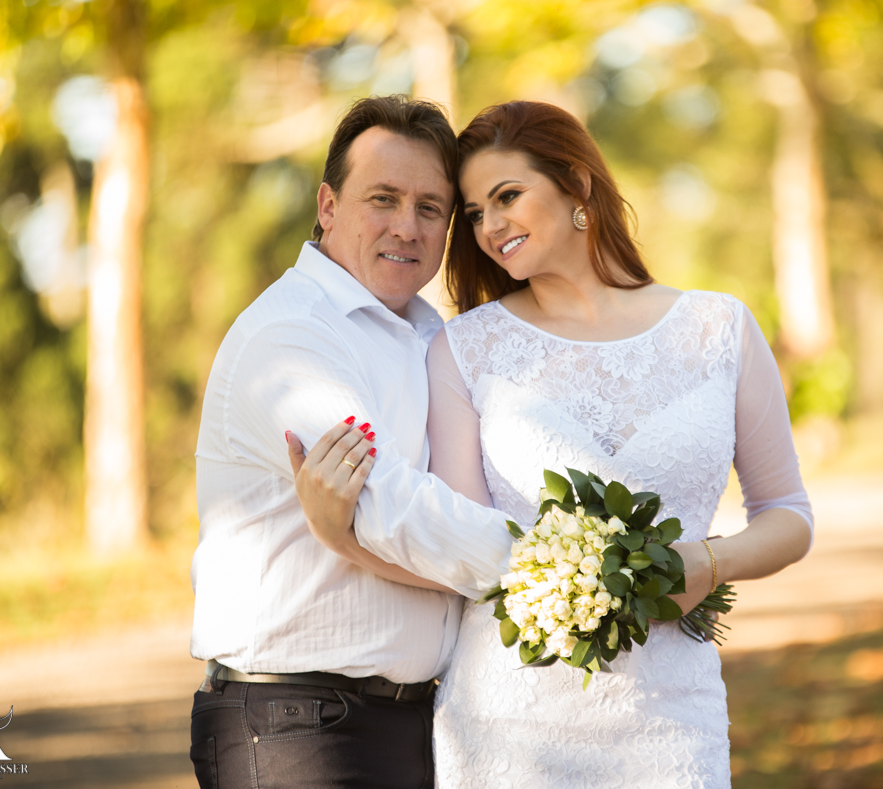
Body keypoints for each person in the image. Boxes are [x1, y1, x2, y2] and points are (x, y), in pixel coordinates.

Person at [293, 100, 814, 788]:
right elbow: (460, 552)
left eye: (508, 196)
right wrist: (343, 538)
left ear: (578, 186)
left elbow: (788, 515)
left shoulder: (721, 328)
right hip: (510, 723)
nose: (491, 227)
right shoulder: (463, 350)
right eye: (475, 213)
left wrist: (705, 562)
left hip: (672, 717)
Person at [188, 95, 515, 789]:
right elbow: (388, 505)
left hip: (419, 722)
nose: (408, 226)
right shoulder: (292, 337)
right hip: (295, 726)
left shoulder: (433, 335)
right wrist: (553, 569)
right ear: (329, 205)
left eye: (431, 207)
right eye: (384, 198)